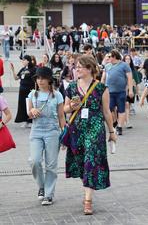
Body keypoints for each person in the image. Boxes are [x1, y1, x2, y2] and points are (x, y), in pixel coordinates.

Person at [63, 55, 116, 215]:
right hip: (76, 130)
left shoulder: (101, 88)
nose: (76, 69)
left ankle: (88, 200)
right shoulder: (71, 87)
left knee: (91, 162)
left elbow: (106, 112)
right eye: (76, 66)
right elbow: (64, 109)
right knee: (81, 163)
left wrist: (112, 131)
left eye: (80, 66)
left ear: (90, 68)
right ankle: (88, 188)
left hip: (95, 129)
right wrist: (71, 106)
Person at [27, 67, 66, 205]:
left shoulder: (58, 95)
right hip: (36, 132)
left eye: (42, 78)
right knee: (34, 161)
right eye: (38, 78)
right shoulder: (32, 94)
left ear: (49, 80)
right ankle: (41, 186)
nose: (40, 80)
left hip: (52, 132)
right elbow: (29, 113)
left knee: (51, 165)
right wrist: (32, 110)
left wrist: (64, 135)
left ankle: (48, 194)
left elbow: (61, 116)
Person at [101, 49, 134, 135]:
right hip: (109, 91)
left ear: (114, 57)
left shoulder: (124, 65)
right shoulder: (107, 66)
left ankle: (119, 127)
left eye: (109, 56)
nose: (108, 58)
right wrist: (100, 88)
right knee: (110, 109)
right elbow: (103, 78)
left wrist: (130, 90)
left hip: (121, 91)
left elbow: (130, 78)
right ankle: (115, 121)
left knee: (121, 109)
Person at [10, 55, 36, 127]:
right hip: (22, 90)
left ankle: (31, 120)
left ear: (28, 61)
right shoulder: (23, 69)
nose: (23, 61)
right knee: (23, 105)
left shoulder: (33, 69)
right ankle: (25, 121)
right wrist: (13, 70)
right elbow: (16, 78)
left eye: (24, 60)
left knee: (30, 105)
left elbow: (36, 80)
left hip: (30, 90)